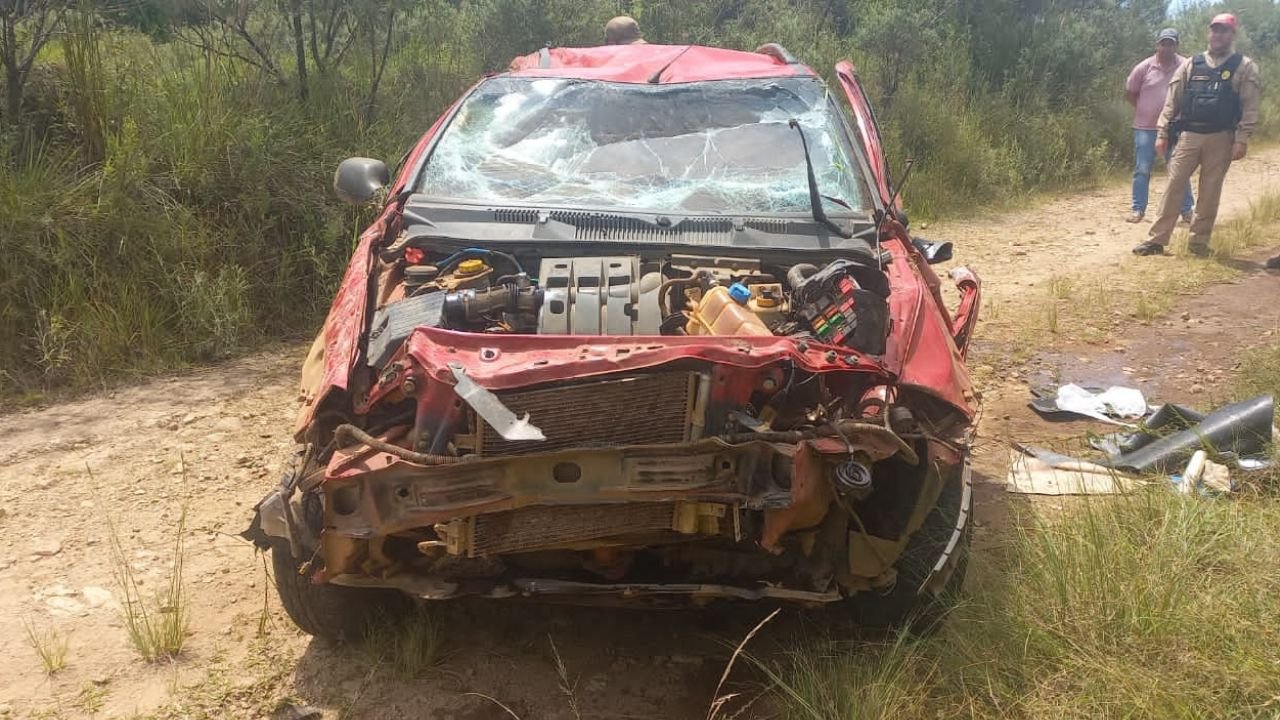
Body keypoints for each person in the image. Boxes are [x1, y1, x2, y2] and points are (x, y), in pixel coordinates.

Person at [1134, 13, 1260, 257]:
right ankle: (1157, 240)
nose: (1218, 35)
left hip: (1222, 138)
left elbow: (1250, 106)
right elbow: (1172, 101)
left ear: (1232, 34)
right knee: (1173, 185)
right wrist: (1162, 132)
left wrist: (1242, 139)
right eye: (1215, 30)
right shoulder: (1192, 64)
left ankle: (1198, 244)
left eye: (1224, 30)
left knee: (1210, 192)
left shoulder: (1244, 67)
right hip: (1189, 136)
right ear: (1208, 32)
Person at [1125, 28, 1194, 224]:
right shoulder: (1144, 67)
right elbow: (1130, 91)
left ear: (1176, 45)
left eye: (1170, 43)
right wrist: (1144, 109)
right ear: (1158, 45)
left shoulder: (1186, 65)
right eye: (1163, 43)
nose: (1166, 47)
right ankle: (1138, 210)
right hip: (1145, 127)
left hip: (1174, 127)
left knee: (1178, 168)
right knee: (1143, 168)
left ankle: (1187, 210)